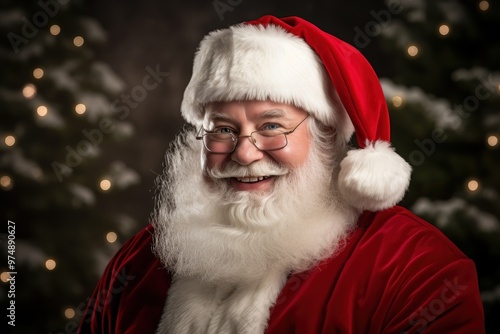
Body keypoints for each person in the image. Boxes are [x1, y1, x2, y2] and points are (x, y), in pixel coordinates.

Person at [77, 15, 484, 333]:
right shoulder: (140, 261)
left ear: (327, 137)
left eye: (272, 126)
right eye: (222, 129)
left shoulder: (415, 270)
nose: (243, 151)